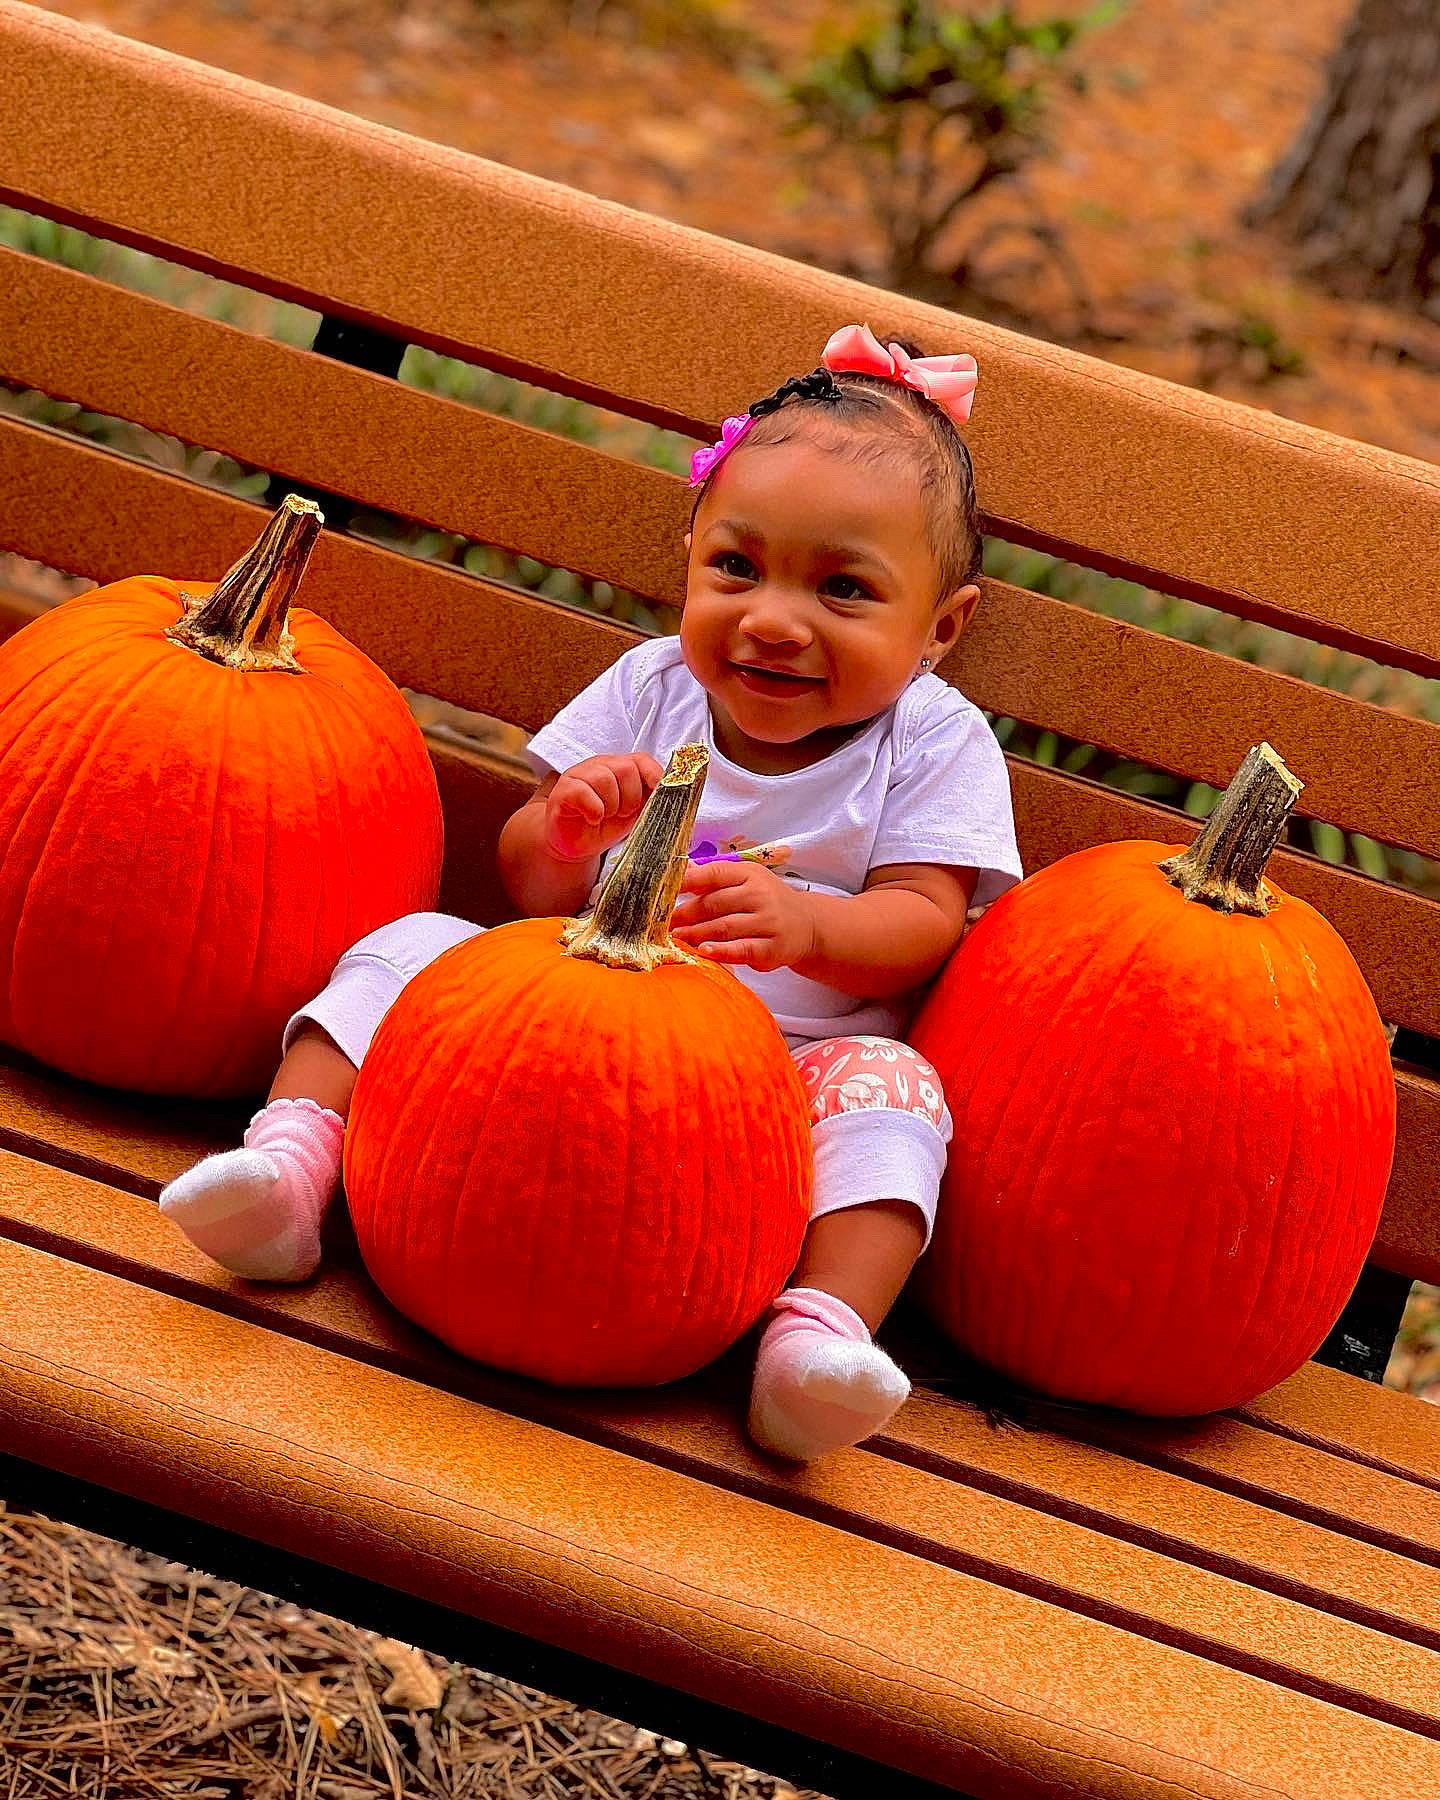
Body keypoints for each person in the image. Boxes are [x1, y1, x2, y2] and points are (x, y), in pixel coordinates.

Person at [159, 322, 1022, 1461]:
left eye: (845, 589)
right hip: (567, 1039)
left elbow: (923, 921)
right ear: (690, 556)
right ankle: (292, 1158)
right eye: (736, 567)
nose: (772, 618)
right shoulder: (653, 689)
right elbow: (527, 887)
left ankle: (817, 1337)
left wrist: (811, 923)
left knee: (899, 1092)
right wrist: (566, 832)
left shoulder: (932, 741)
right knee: (416, 942)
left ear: (941, 627)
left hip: (772, 1088)